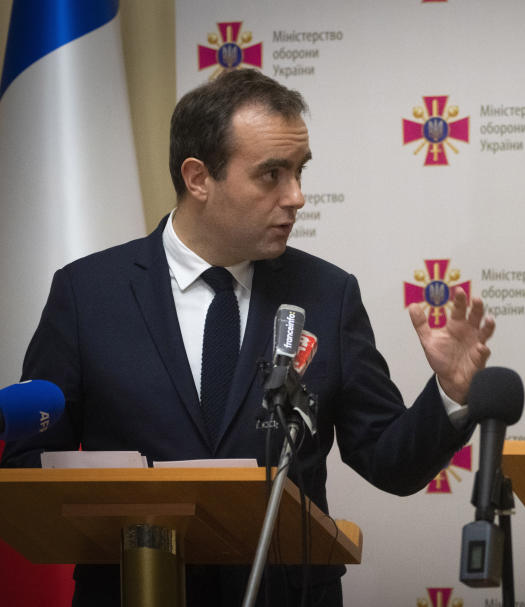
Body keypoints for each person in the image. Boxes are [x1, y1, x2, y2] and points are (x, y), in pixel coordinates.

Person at [0, 68, 494, 606]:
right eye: (272, 174)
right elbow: (29, 464)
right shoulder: (87, 294)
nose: (298, 196)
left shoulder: (327, 295)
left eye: (300, 172)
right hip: (132, 588)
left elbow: (388, 461)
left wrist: (448, 393)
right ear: (198, 178)